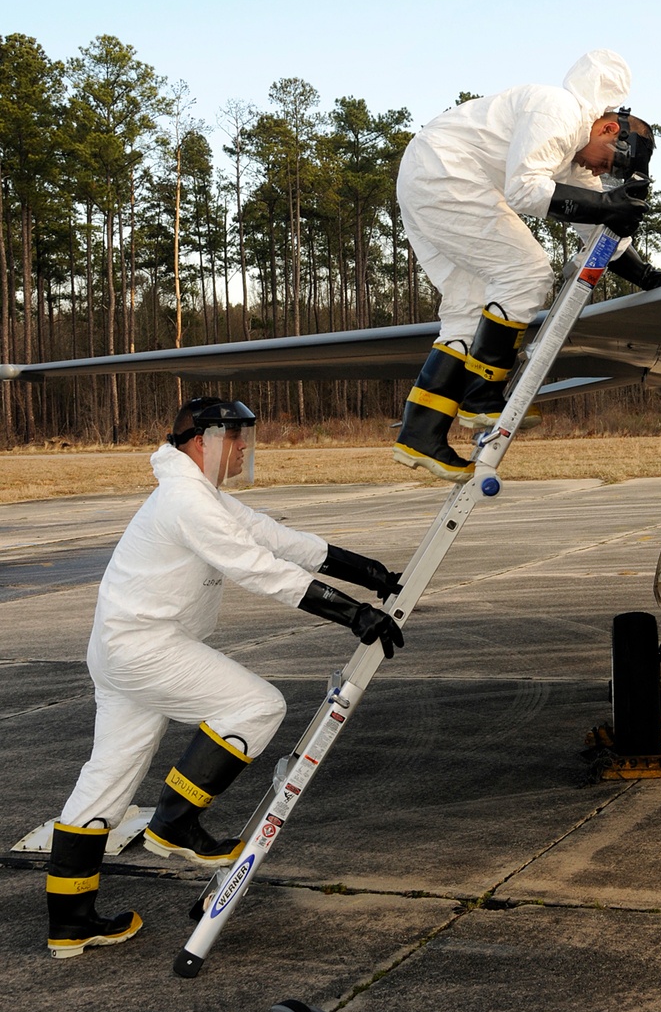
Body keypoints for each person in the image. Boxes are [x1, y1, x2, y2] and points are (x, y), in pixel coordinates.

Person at [46, 396, 403, 960]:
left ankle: (70, 922)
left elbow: (274, 539)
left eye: (244, 438)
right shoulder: (187, 500)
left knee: (106, 779)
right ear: (199, 440)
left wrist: (370, 573)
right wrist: (352, 613)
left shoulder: (196, 494)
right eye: (234, 438)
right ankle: (175, 824)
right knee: (256, 707)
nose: (242, 448)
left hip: (124, 649)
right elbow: (256, 568)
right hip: (146, 647)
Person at [393, 50, 661, 481]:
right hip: (443, 172)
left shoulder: (575, 156)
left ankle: (420, 433)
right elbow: (525, 191)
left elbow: (593, 225)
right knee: (526, 271)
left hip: (428, 179)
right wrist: (604, 204)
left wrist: (647, 274)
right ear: (608, 128)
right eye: (612, 161)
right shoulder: (558, 111)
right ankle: (482, 399)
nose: (603, 170)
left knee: (470, 305)